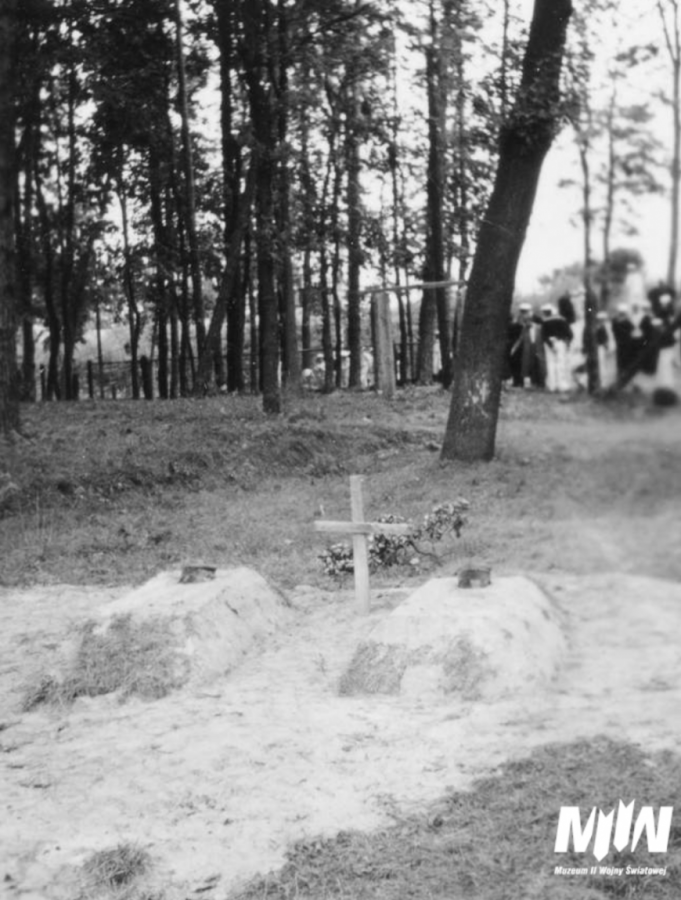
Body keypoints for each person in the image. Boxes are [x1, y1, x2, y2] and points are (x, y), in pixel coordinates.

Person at [540, 304, 573, 392]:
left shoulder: (545, 322)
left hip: (549, 343)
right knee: (561, 363)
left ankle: (552, 385)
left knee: (551, 364)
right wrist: (567, 343)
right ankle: (562, 385)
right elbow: (570, 334)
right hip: (561, 343)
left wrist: (550, 345)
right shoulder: (562, 320)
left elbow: (543, 336)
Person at [507, 303, 541, 387]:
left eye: (525, 311)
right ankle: (518, 381)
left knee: (534, 362)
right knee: (518, 363)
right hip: (521, 344)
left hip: (531, 344)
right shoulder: (518, 320)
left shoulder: (535, 319)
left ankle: (535, 381)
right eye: (522, 311)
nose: (523, 313)